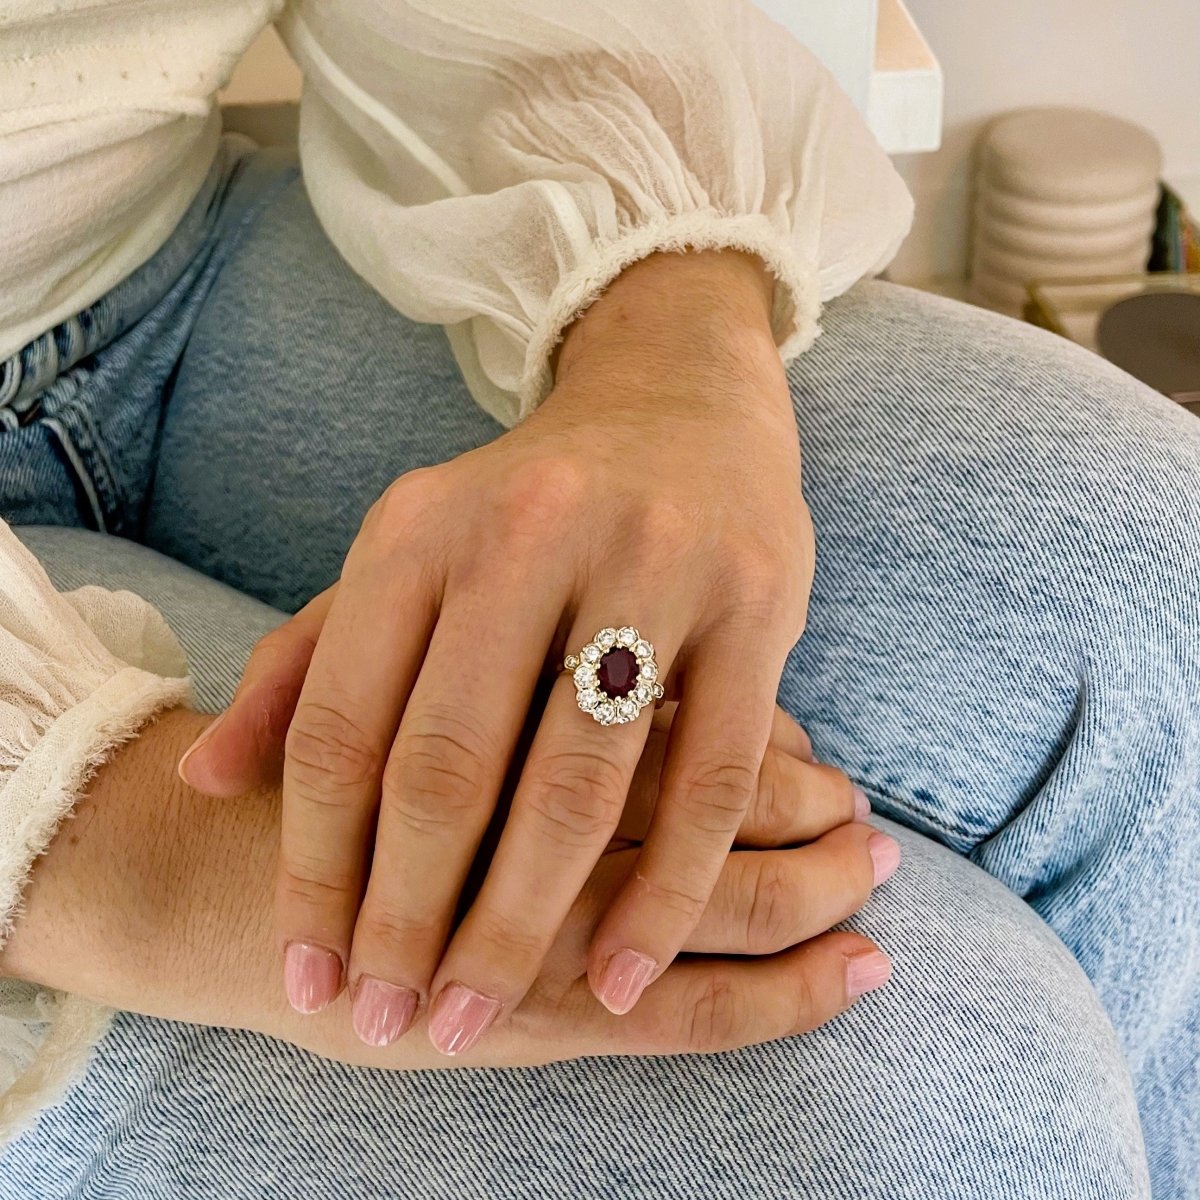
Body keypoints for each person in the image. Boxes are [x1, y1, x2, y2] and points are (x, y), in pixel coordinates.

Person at [0, 1, 1195, 1197]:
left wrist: (674, 339)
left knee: (1157, 583)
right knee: (940, 1115)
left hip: (152, 251)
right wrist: (122, 854)